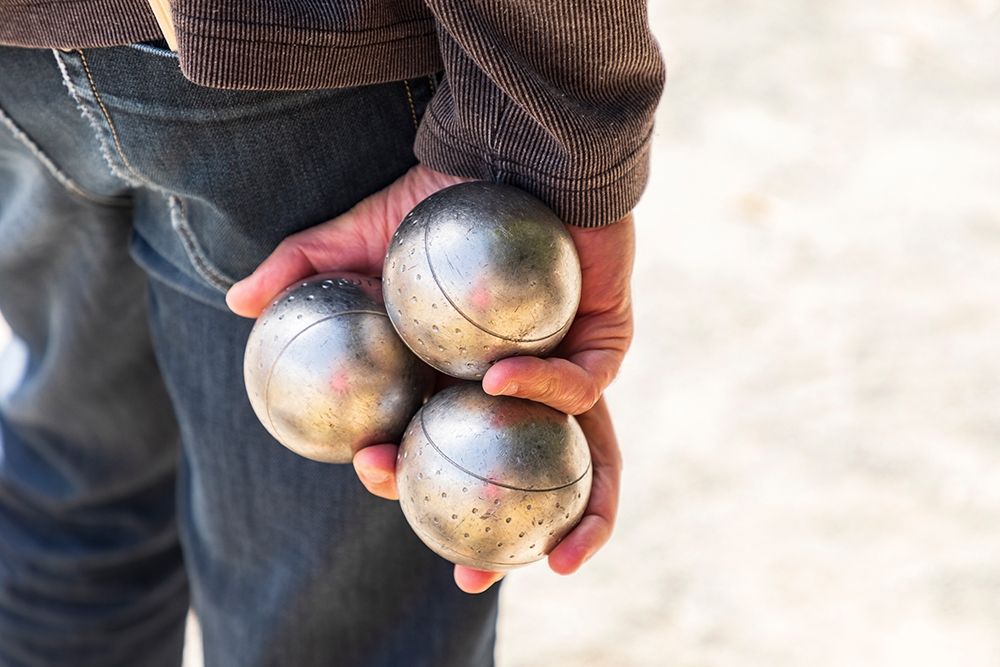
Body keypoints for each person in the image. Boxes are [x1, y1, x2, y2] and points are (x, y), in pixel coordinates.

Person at [0, 2, 664, 665]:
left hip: (20, 53)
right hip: (295, 60)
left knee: (75, 499)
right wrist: (551, 142)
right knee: (339, 631)